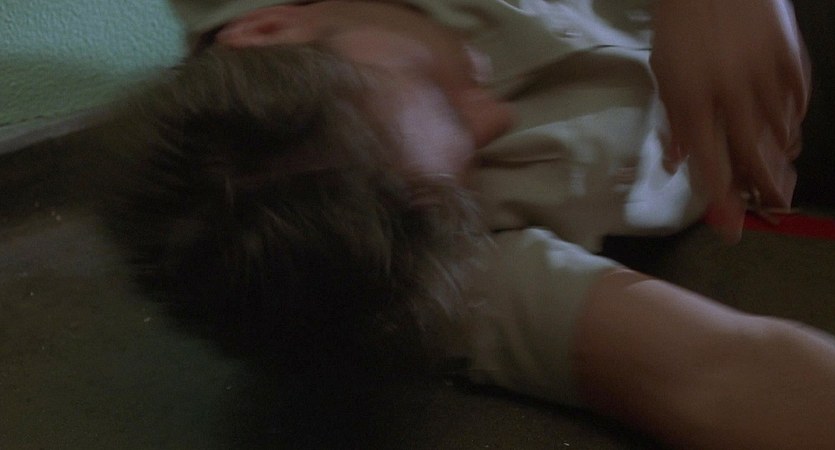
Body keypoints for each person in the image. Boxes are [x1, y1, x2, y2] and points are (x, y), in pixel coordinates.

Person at [100, 0, 834, 448]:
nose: (497, 117)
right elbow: (715, 376)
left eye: (442, 97)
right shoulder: (404, 275)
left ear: (270, 26)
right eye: (469, 169)